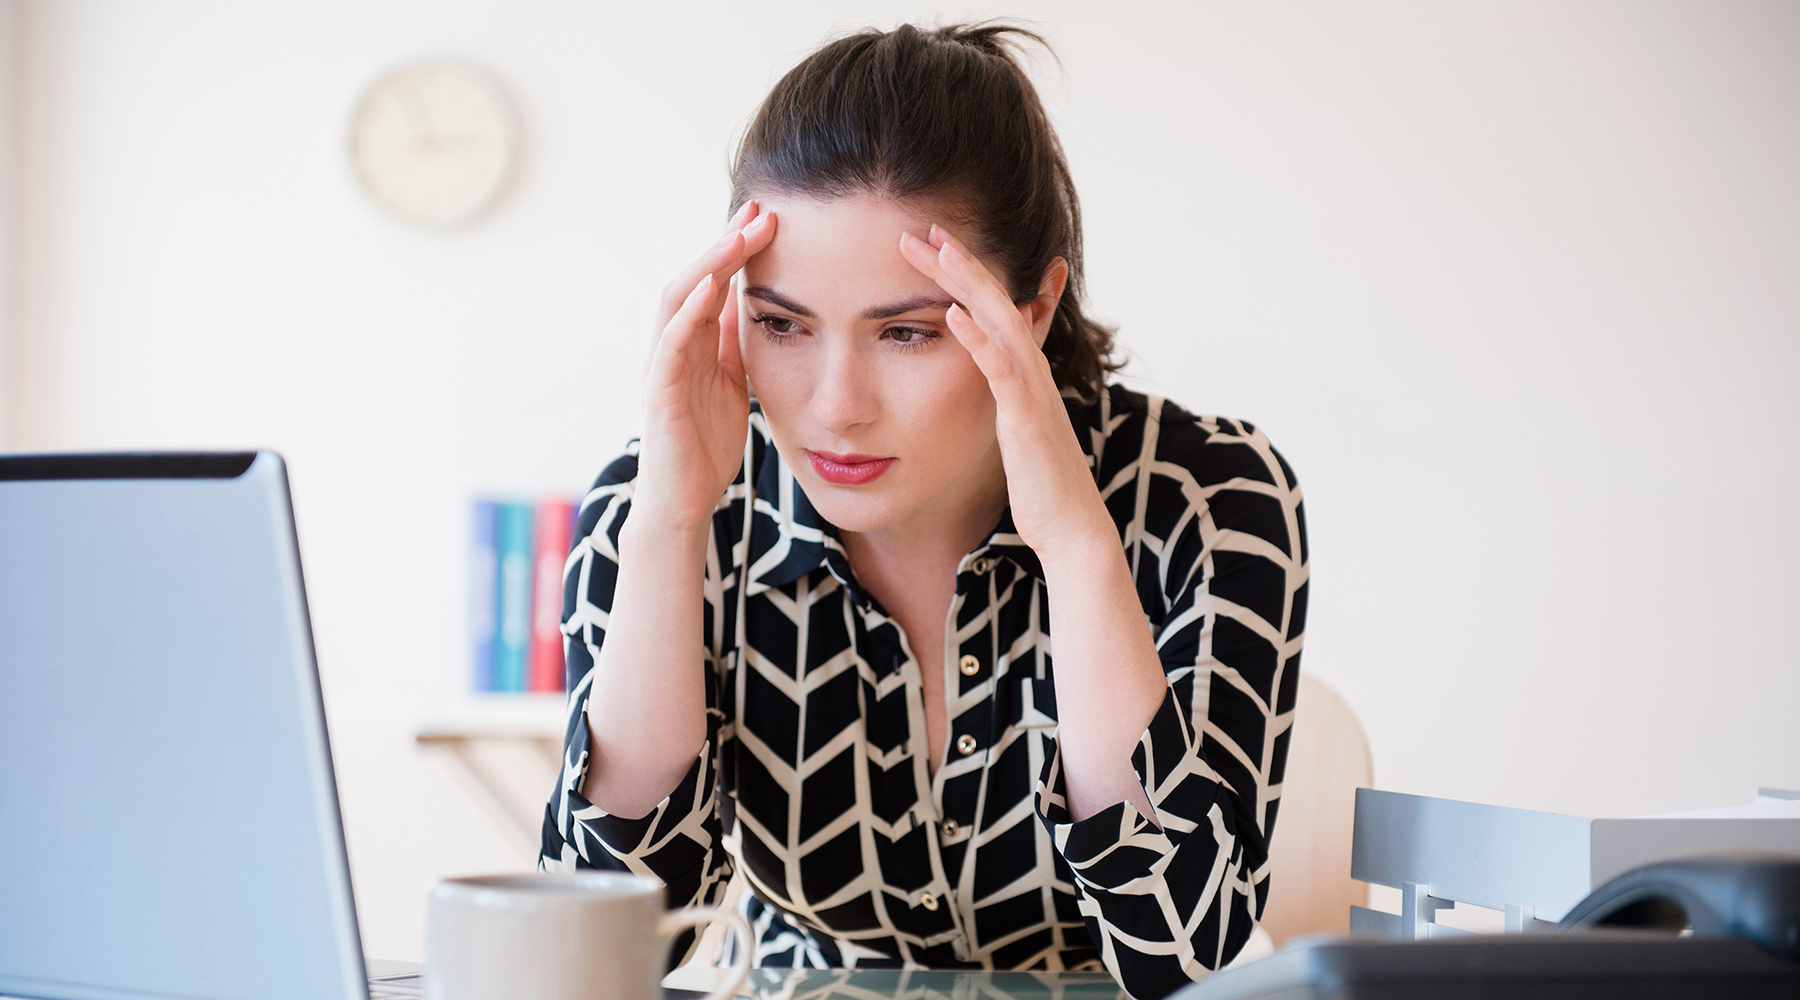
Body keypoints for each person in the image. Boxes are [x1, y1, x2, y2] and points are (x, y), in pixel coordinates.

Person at [540, 22, 1308, 1000]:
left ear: (1030, 309)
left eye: (904, 332)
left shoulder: (1204, 494)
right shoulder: (665, 503)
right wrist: (668, 527)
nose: (833, 405)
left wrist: (1077, 548)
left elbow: (1183, 954)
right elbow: (598, 950)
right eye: (781, 323)